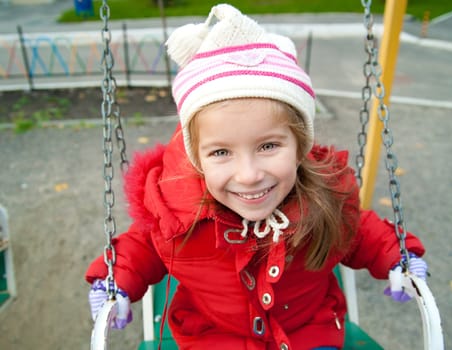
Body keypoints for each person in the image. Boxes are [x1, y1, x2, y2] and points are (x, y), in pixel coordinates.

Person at [86, 4, 428, 349]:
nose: (248, 176)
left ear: (299, 147)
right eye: (221, 152)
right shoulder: (177, 212)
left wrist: (398, 256)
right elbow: (142, 246)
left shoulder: (325, 199)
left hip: (308, 331)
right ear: (197, 157)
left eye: (268, 146)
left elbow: (361, 234)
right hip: (215, 337)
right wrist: (114, 281)